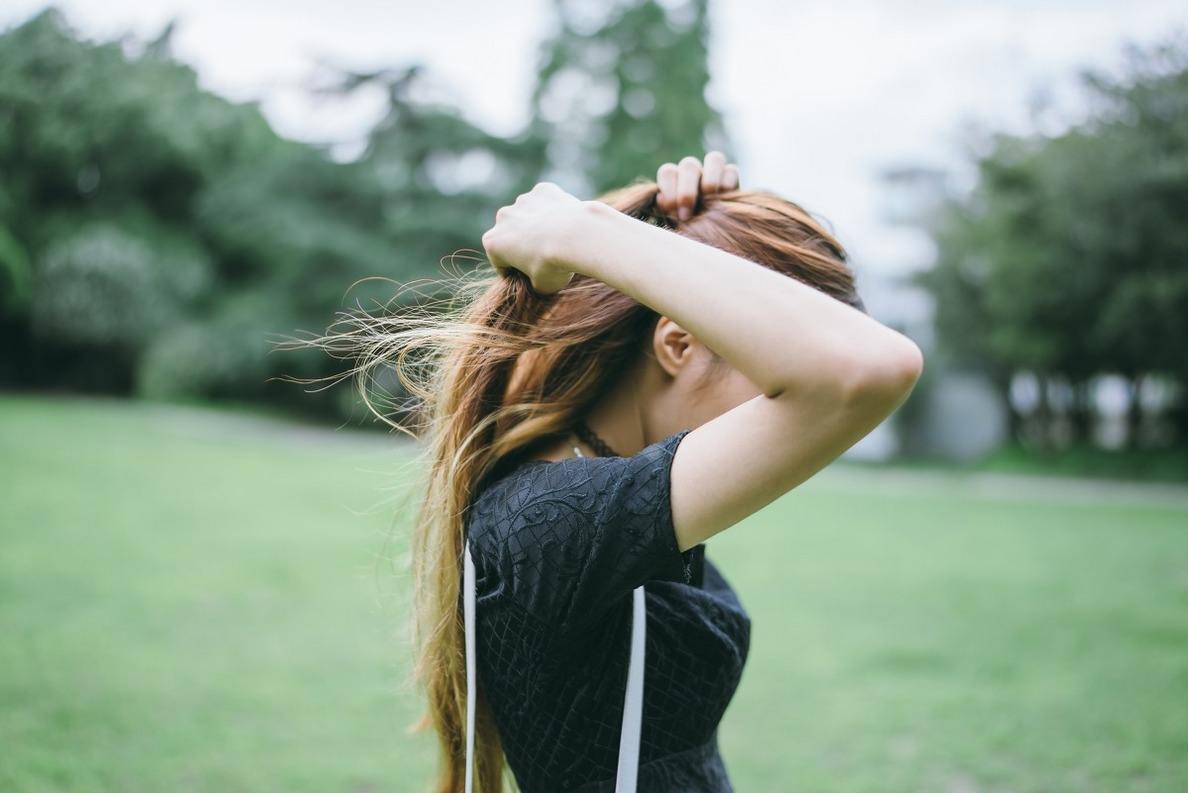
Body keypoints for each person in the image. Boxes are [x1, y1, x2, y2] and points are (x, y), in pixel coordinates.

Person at [301, 152, 922, 792]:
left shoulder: (587, 488)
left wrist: (684, 232)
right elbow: (867, 370)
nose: (783, 405)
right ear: (677, 344)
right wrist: (591, 233)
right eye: (774, 367)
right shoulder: (558, 521)